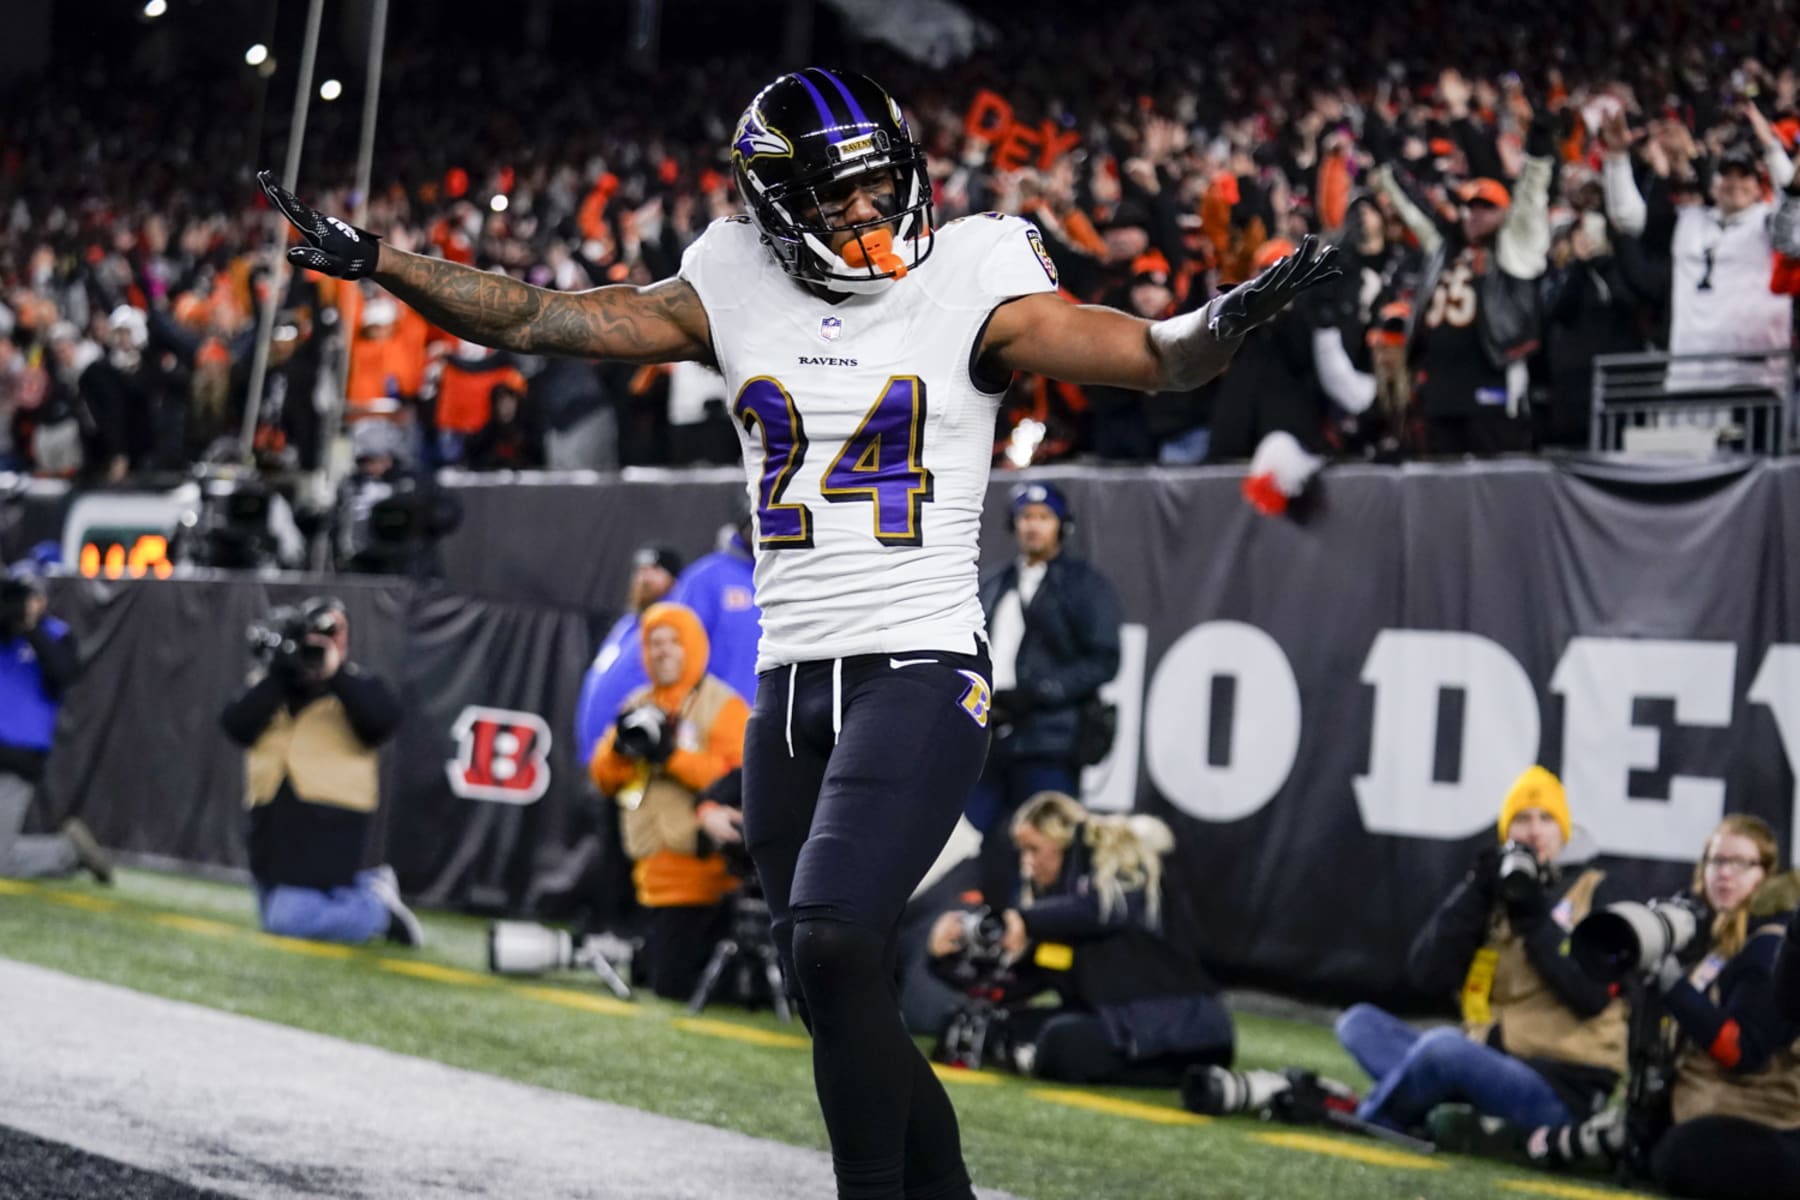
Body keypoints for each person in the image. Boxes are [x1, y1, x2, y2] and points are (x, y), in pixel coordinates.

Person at [260, 67, 1337, 1199]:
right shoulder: (729, 277)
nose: (870, 215)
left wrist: (1229, 315)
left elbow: (1153, 354)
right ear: (776, 207)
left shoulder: (975, 270)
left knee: (829, 941)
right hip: (790, 687)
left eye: (880, 188)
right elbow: (539, 317)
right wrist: (379, 262)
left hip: (918, 666)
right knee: (830, 980)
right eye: (839, 199)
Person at [1336, 766, 1626, 1142]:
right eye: (1522, 819)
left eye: (1547, 819)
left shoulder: (1598, 890)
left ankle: (1375, 1116)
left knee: (1444, 1049)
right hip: (1486, 1062)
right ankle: (1449, 1107)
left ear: (1564, 830)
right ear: (1507, 832)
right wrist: (1474, 892)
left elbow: (1591, 995)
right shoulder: (1497, 893)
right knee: (1359, 1024)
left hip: (1557, 1085)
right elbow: (1427, 975)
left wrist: (1536, 917)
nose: (1535, 831)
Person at [1528, 817, 1800, 1199]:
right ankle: (1589, 1141)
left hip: (1766, 1120)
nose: (1724, 874)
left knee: (1677, 1155)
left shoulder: (1768, 946)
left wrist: (1675, 988)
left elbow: (1744, 1052)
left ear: (1767, 875)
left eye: (1740, 864)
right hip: (1712, 1107)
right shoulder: (1715, 936)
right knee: (1651, 1143)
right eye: (1715, 861)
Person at [928, 791, 1233, 1085]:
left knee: (1061, 1044)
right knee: (981, 1025)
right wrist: (945, 959)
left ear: (1063, 844)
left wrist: (1024, 919)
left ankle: (1177, 1069)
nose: (1026, 862)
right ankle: (1027, 1053)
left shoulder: (1123, 877)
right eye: (1022, 851)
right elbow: (1013, 986)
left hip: (1188, 1025)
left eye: (1034, 849)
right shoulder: (1054, 918)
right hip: (1116, 1019)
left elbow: (1099, 910)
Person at [218, 596, 421, 947]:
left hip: (328, 820)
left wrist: (334, 672)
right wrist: (281, 671)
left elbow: (382, 721)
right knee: (274, 913)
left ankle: (378, 912)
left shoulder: (357, 685)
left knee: (290, 918)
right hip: (272, 820)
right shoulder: (274, 685)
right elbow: (236, 725)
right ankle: (367, 887)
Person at [969, 482, 1120, 909]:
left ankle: (1046, 933)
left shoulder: (1084, 586)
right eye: (1026, 517)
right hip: (991, 735)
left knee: (1052, 843)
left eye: (1043, 518)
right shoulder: (997, 582)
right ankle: (990, 924)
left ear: (1061, 526)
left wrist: (1038, 694)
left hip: (1050, 739)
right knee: (983, 838)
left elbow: (1104, 660)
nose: (1033, 527)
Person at [587, 602, 748, 999]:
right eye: (654, 643)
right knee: (647, 973)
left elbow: (739, 780)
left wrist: (671, 757)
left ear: (692, 645)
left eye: (673, 642)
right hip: (644, 869)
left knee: (672, 987)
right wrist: (622, 751)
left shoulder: (724, 706)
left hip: (698, 876)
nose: (662, 652)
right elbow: (603, 778)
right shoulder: (638, 704)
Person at [0, 564, 110, 883]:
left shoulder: (57, 635)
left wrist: (30, 625)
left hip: (18, 756)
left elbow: (63, 674)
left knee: (1, 862)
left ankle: (68, 851)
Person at [575, 541, 685, 767]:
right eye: (641, 570)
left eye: (655, 571)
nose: (644, 578)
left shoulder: (672, 626)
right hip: (599, 757)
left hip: (633, 755)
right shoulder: (627, 624)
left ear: (674, 581)